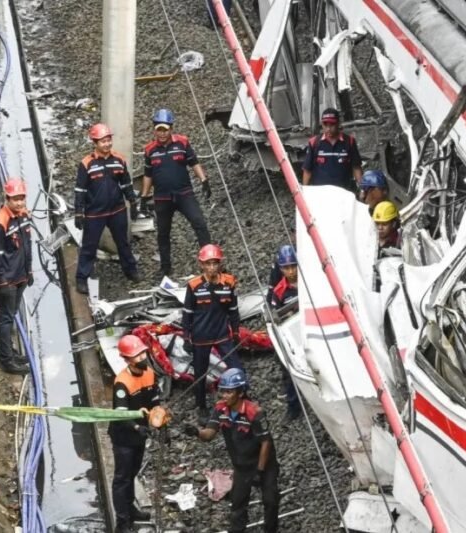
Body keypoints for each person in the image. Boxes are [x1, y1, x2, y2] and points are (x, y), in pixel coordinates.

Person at [186, 368, 279, 533]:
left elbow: (266, 442)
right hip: (241, 465)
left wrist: (260, 470)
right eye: (223, 391)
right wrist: (197, 432)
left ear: (240, 392)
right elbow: (209, 434)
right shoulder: (221, 410)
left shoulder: (255, 413)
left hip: (263, 465)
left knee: (270, 501)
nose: (224, 396)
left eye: (229, 392)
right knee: (238, 505)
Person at [140, 109, 212, 277]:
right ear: (154, 129)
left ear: (171, 128)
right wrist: (144, 197)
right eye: (159, 129)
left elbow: (194, 162)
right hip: (162, 198)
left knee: (199, 223)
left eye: (165, 129)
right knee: (163, 233)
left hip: (184, 194)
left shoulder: (182, 143)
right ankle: (165, 268)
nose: (162, 133)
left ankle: (210, 261)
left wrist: (204, 181)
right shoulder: (150, 150)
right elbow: (148, 174)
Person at [74, 123, 141, 295]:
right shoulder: (86, 164)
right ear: (95, 143)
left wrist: (132, 203)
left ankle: (131, 270)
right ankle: (81, 278)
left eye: (108, 140)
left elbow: (126, 184)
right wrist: (79, 212)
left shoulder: (119, 160)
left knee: (123, 243)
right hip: (95, 213)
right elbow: (80, 190)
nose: (107, 144)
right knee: (89, 246)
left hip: (116, 211)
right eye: (103, 141)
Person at [183, 244, 242, 421]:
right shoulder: (193, 286)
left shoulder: (229, 282)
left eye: (215, 263)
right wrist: (187, 337)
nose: (211, 267)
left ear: (220, 264)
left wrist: (236, 331)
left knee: (237, 368)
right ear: (201, 265)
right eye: (207, 264)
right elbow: (187, 313)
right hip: (201, 338)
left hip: (223, 335)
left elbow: (233, 310)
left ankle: (240, 401)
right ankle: (201, 406)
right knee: (200, 373)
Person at [109, 335, 161, 533]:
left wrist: (159, 417)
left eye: (142, 353)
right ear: (127, 359)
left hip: (140, 435)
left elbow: (154, 401)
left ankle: (131, 509)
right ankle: (122, 522)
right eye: (136, 355)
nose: (142, 358)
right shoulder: (122, 383)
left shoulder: (149, 374)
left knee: (132, 474)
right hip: (124, 437)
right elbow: (121, 415)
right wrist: (138, 427)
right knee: (122, 478)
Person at [0, 178, 32, 374]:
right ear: (7, 198)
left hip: (20, 276)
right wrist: (1, 280)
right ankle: (7, 360)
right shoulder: (0, 222)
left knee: (11, 315)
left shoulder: (23, 216)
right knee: (6, 318)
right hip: (7, 280)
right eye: (15, 199)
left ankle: (10, 351)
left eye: (22, 198)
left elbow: (27, 246)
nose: (20, 203)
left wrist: (29, 271)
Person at [269, 245, 301, 420]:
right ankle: (293, 406)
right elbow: (276, 317)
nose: (290, 271)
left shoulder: (309, 281)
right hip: (293, 337)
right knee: (289, 371)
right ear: (281, 269)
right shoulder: (279, 291)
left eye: (293, 266)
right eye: (286, 268)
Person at [301, 107, 363, 189]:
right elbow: (307, 170)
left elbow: (356, 167)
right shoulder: (314, 143)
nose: (328, 129)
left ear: (338, 123)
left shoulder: (349, 142)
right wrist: (304, 192)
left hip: (344, 192)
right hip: (321, 193)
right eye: (325, 125)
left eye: (332, 125)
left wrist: (363, 190)